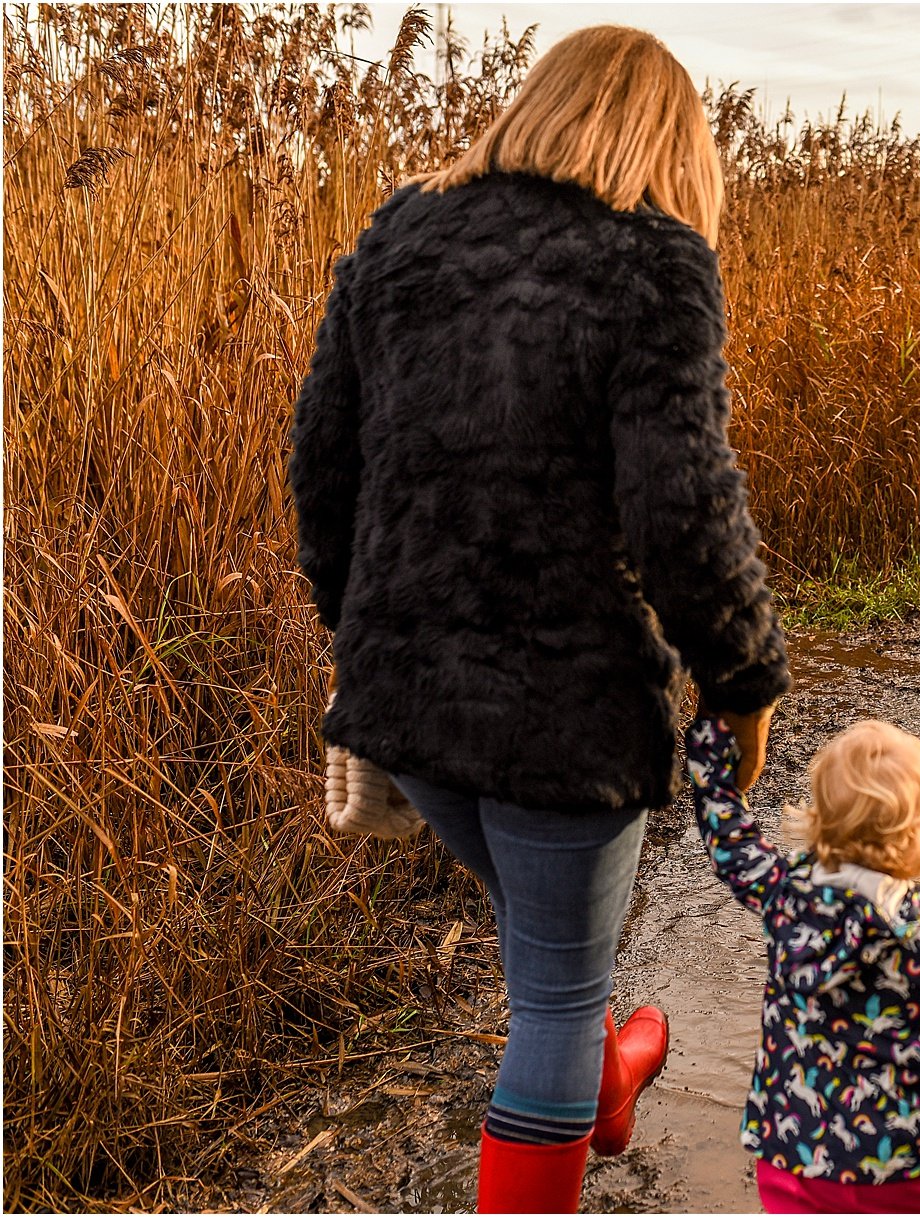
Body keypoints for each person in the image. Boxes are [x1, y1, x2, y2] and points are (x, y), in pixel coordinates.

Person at [287, 26, 790, 1214]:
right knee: (554, 1001)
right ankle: (581, 1081)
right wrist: (742, 680)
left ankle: (606, 1085)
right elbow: (681, 501)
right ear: (671, 139)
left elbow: (321, 465)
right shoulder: (651, 259)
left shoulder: (402, 232)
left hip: (408, 698)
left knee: (547, 948)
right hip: (561, 710)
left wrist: (357, 630)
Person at [684, 716, 920, 1213]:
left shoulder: (785, 894)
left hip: (793, 1160)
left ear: (819, 818)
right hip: (908, 1164)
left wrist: (711, 754)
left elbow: (729, 836)